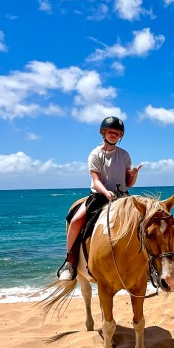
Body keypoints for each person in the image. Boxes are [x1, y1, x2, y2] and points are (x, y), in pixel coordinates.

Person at [57, 116, 142, 280]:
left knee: (144, 222)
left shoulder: (124, 155)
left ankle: (146, 264)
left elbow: (128, 183)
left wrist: (134, 176)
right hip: (99, 196)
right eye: (111, 132)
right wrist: (106, 192)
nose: (114, 135)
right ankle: (70, 261)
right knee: (75, 221)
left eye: (117, 133)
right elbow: (96, 181)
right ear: (103, 132)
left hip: (122, 198)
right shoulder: (95, 154)